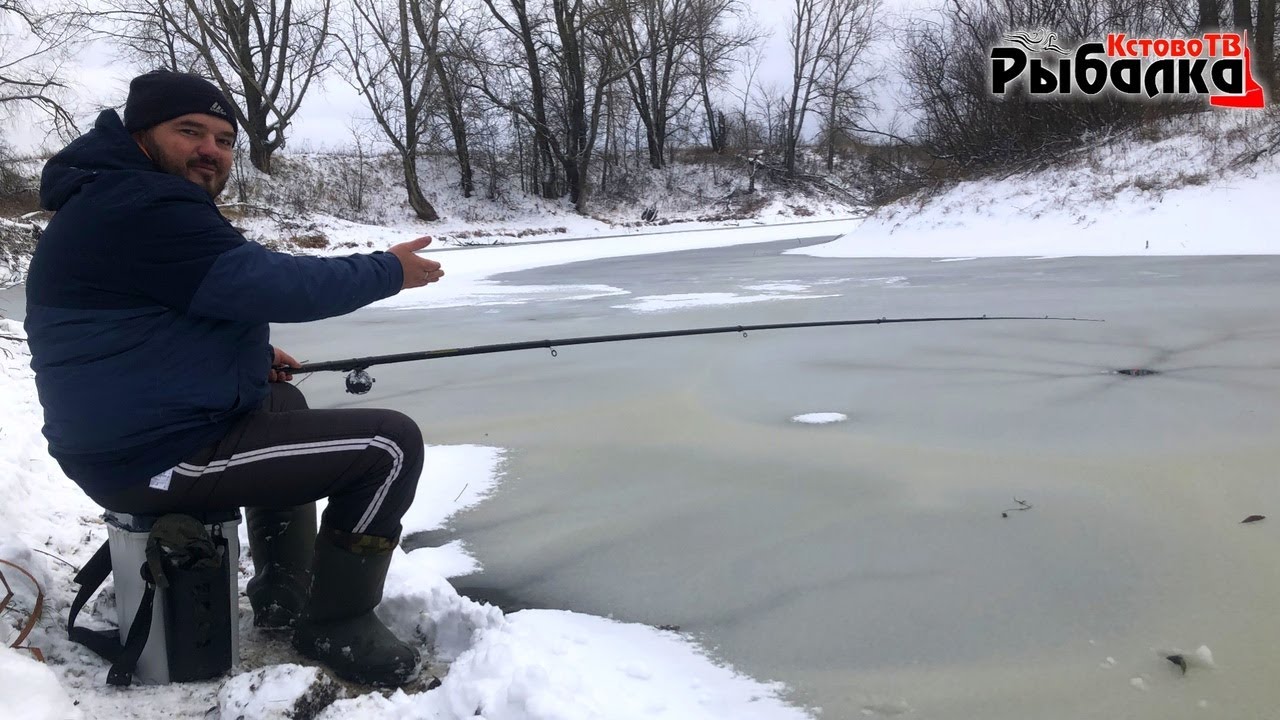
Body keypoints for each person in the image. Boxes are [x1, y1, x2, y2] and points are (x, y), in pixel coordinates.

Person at [24, 70, 445, 687]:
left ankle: (282, 589)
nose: (211, 150)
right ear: (141, 135)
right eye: (190, 131)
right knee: (389, 446)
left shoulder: (117, 196)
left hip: (130, 438)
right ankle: (340, 624)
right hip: (149, 457)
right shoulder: (139, 205)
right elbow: (270, 282)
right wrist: (387, 270)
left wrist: (252, 355)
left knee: (280, 399)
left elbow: (169, 307)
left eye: (224, 140)